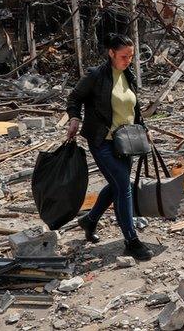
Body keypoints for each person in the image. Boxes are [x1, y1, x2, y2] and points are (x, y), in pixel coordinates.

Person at [65, 33, 152, 261]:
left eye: (131, 56)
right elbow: (74, 98)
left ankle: (89, 220)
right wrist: (74, 118)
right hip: (102, 141)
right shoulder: (96, 75)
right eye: (124, 56)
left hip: (127, 142)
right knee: (123, 186)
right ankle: (131, 241)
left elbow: (135, 108)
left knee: (116, 185)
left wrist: (143, 129)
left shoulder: (128, 75)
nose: (128, 60)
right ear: (111, 53)